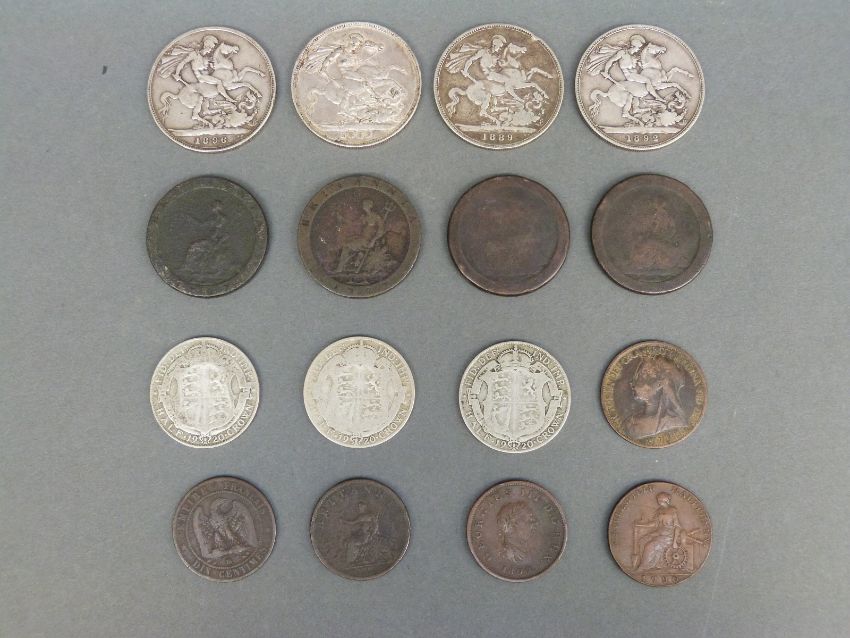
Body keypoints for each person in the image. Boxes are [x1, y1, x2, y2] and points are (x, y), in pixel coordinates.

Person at [624, 356, 688, 439]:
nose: (632, 383)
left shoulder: (674, 422)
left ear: (659, 385)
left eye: (641, 375)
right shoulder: (631, 422)